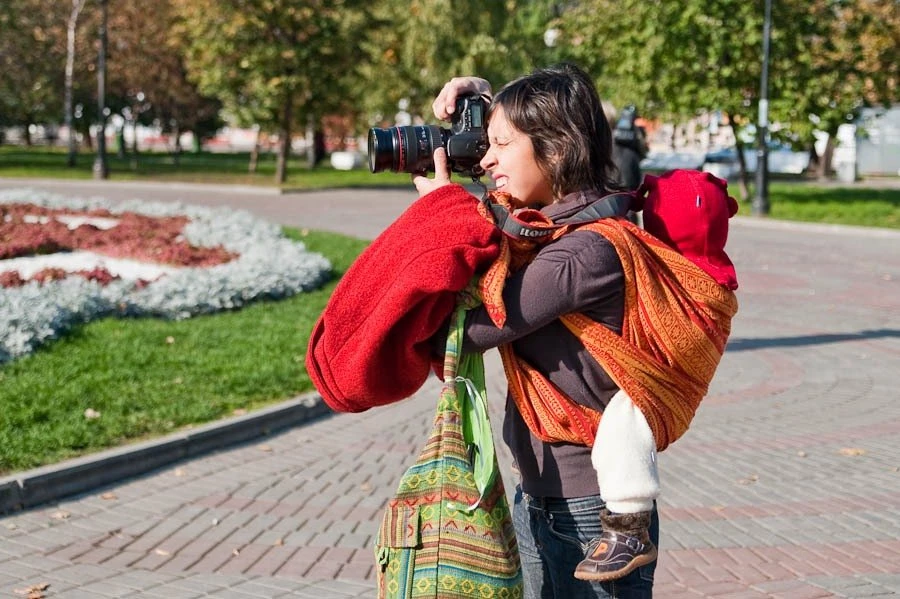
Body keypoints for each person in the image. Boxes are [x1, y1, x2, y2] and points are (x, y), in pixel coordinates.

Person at [420, 63, 739, 598]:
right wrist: (481, 101)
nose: (487, 158)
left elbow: (470, 330)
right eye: (486, 142)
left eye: (500, 144)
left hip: (586, 512)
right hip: (542, 494)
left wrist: (437, 214)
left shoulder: (581, 252)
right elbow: (509, 215)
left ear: (558, 149)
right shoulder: (550, 229)